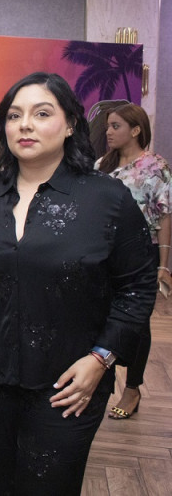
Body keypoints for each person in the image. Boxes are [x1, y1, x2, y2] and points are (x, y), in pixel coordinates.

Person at [0, 72, 156, 495]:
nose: (25, 124)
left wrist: (102, 358)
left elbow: (138, 286)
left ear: (71, 123)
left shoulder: (107, 199)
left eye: (42, 113)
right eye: (14, 115)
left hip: (69, 383)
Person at [93, 102, 172, 419]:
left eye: (116, 126)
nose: (109, 132)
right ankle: (99, 382)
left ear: (136, 130)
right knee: (99, 318)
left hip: (142, 253)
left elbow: (165, 217)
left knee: (137, 325)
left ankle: (133, 388)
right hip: (102, 254)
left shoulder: (156, 167)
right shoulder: (102, 165)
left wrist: (164, 266)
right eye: (108, 126)